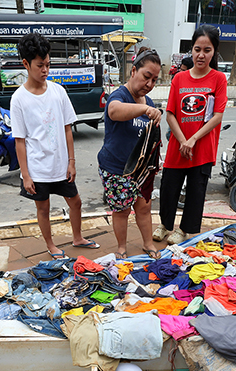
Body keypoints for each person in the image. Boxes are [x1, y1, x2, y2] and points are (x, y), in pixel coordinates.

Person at [10, 32, 98, 259]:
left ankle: (78, 237)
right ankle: (51, 245)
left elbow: (68, 129)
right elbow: (20, 141)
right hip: (38, 168)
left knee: (75, 202)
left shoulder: (58, 92)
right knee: (43, 208)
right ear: (25, 64)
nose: (45, 70)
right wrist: (26, 175)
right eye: (40, 65)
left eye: (48, 65)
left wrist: (72, 162)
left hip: (61, 165)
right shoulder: (19, 99)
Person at [154, 25, 227, 245]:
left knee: (195, 192)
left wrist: (194, 140)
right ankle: (166, 225)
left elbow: (217, 116)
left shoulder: (218, 79)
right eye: (197, 49)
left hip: (202, 149)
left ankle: (184, 230)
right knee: (169, 188)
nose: (201, 55)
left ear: (213, 52)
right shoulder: (179, 79)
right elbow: (170, 113)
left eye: (207, 50)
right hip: (179, 146)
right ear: (191, 50)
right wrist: (183, 141)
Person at [97, 47, 163, 260]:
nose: (149, 84)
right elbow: (114, 111)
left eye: (154, 80)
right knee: (122, 210)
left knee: (144, 208)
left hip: (140, 170)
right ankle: (121, 248)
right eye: (146, 77)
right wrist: (143, 111)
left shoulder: (149, 102)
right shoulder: (120, 95)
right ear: (133, 71)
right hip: (117, 168)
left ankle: (148, 244)